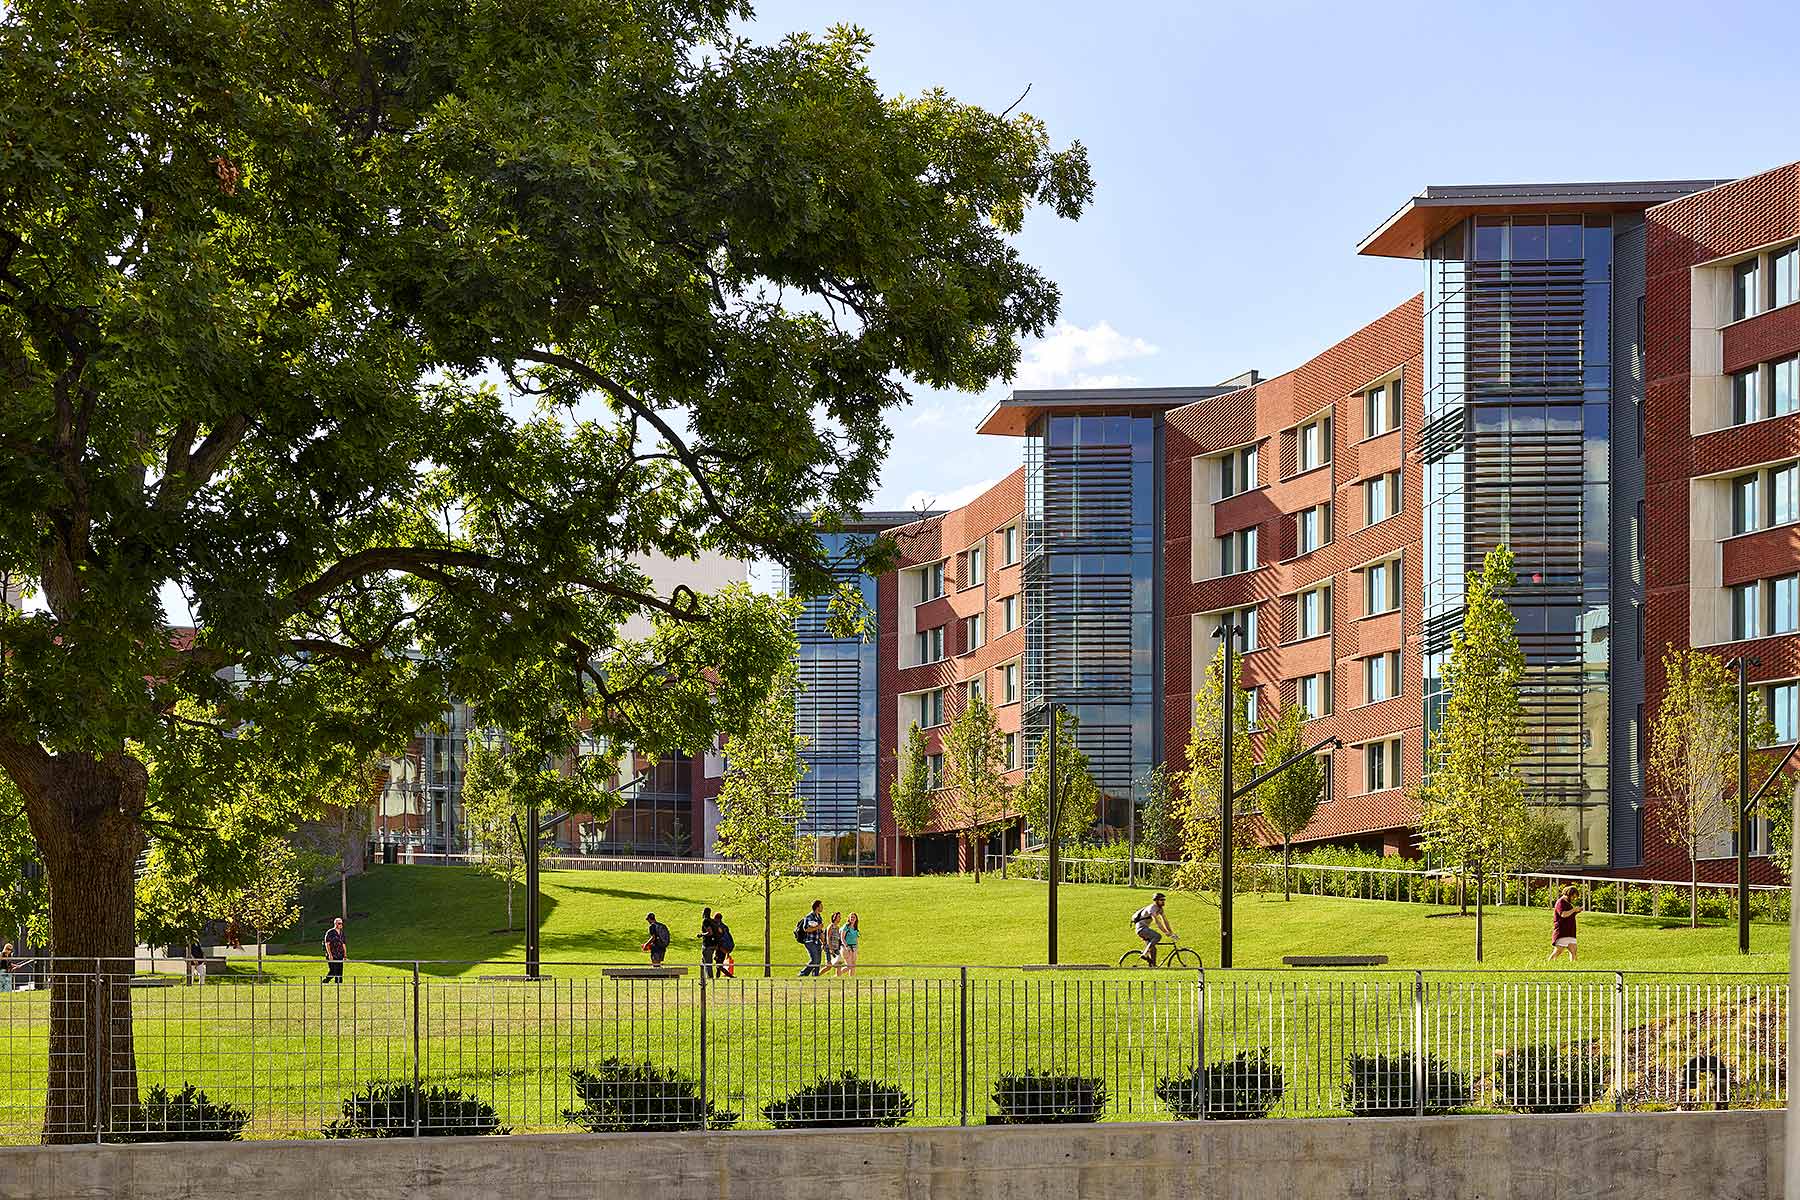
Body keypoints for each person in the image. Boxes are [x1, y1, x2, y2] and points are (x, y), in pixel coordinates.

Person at [1132, 893, 1175, 966]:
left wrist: (1171, 933)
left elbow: (1165, 921)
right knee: (1157, 936)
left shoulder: (1160, 909)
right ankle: (1145, 954)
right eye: (1161, 900)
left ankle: (1153, 967)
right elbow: (1157, 921)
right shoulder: (1152, 908)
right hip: (1141, 929)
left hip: (1144, 928)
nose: (1163, 901)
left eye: (1164, 900)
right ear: (1156, 900)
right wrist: (1165, 932)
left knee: (1153, 949)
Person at [1548, 885, 1581, 962]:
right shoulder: (1561, 902)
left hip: (1570, 931)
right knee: (1558, 950)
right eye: (1573, 897)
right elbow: (1563, 914)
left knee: (1573, 950)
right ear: (1568, 895)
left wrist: (1576, 911)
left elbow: (1569, 915)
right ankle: (1548, 964)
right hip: (1563, 931)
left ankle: (1574, 968)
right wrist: (1574, 910)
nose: (1574, 899)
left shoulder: (1568, 903)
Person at [797, 899, 825, 976]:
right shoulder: (809, 916)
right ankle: (803, 973)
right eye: (821, 906)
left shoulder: (819, 917)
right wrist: (818, 927)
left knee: (818, 961)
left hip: (817, 941)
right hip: (810, 941)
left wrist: (824, 942)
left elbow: (820, 931)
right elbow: (806, 929)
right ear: (817, 907)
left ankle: (815, 976)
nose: (822, 907)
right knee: (814, 960)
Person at [323, 916, 347, 984]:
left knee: (340, 970)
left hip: (340, 954)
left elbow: (343, 944)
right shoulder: (330, 932)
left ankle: (339, 984)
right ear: (335, 924)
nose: (341, 925)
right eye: (339, 923)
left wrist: (345, 954)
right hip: (332, 954)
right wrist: (330, 955)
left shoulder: (342, 933)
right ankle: (326, 981)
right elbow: (327, 944)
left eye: (341, 923)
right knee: (333, 970)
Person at [714, 912, 736, 978]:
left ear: (717, 918)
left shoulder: (718, 927)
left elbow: (718, 937)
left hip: (720, 947)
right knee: (718, 964)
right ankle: (717, 977)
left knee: (718, 965)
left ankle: (730, 976)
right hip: (724, 948)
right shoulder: (725, 927)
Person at [699, 907, 717, 979]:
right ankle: (702, 977)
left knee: (708, 963)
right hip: (713, 944)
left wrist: (701, 934)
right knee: (703, 961)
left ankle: (710, 978)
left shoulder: (706, 921)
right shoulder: (712, 921)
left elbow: (710, 932)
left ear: (704, 913)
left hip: (707, 945)